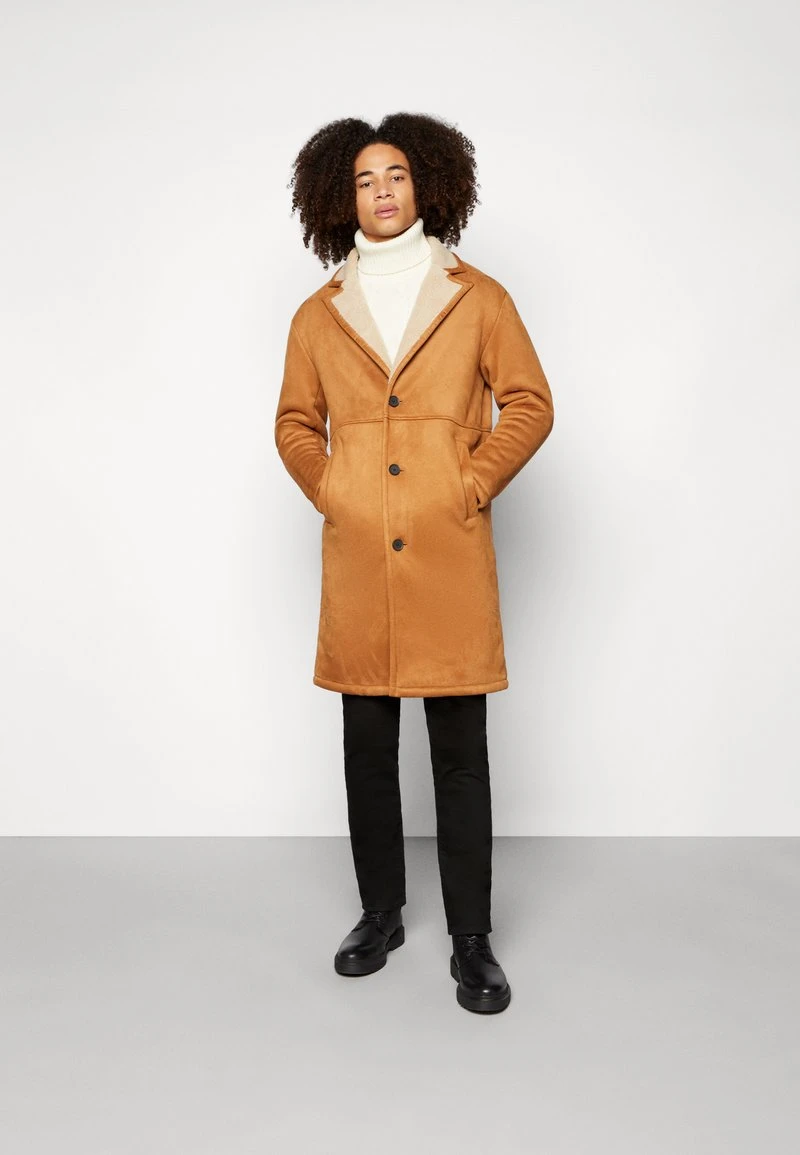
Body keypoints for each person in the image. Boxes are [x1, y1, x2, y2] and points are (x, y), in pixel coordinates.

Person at [274, 112, 554, 1014]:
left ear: (426, 183)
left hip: (447, 552)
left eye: (395, 173)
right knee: (368, 747)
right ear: (340, 197)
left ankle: (472, 937)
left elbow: (529, 403)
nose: (382, 190)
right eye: (364, 179)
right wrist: (338, 489)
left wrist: (468, 483)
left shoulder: (480, 297)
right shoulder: (318, 314)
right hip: (361, 556)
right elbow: (294, 423)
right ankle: (381, 912)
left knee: (459, 752)